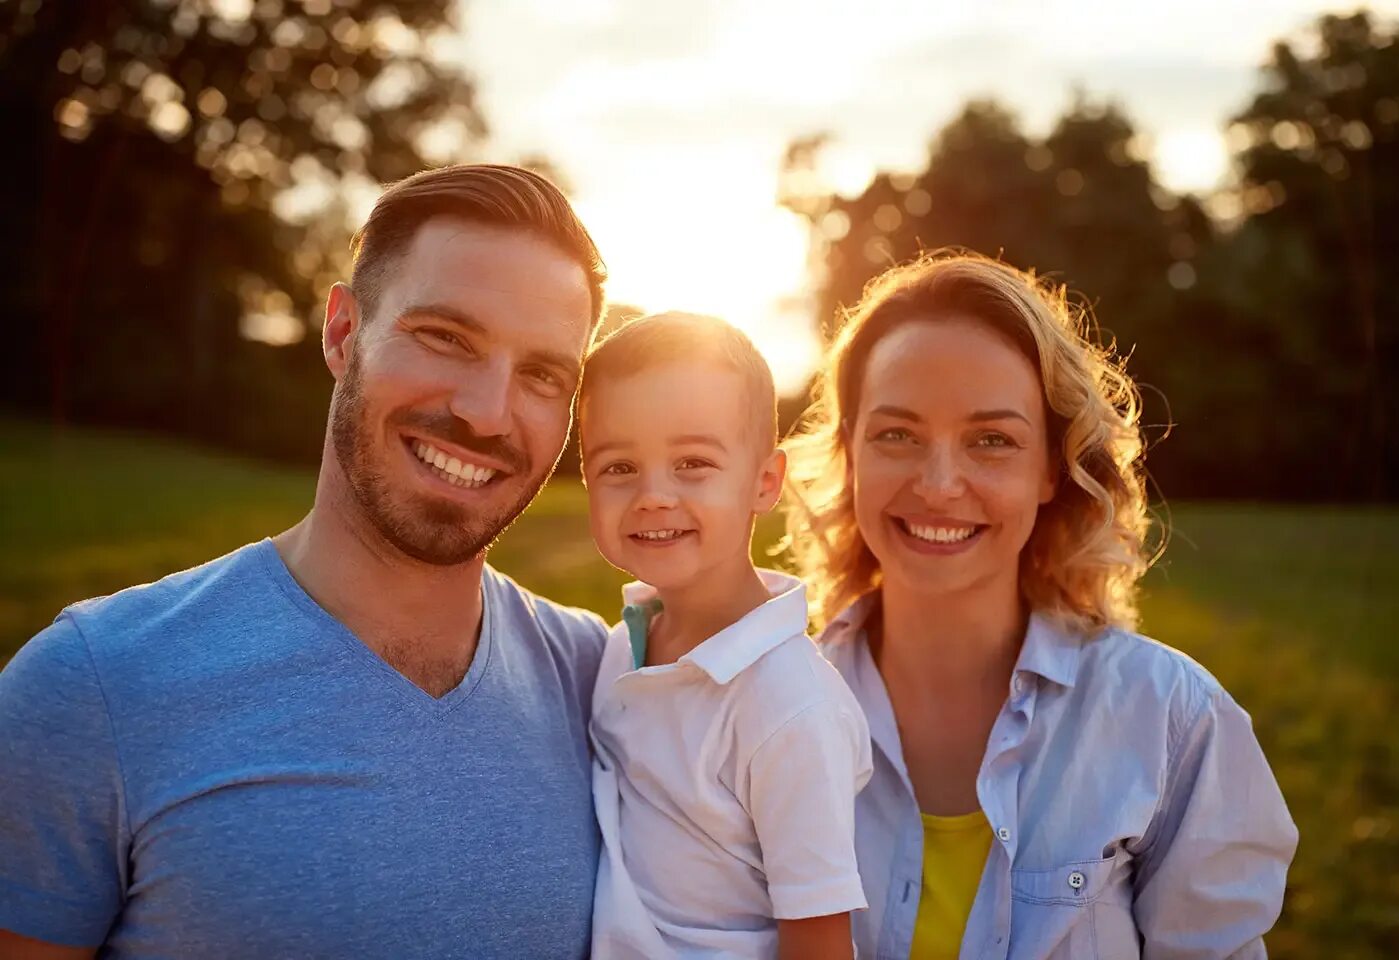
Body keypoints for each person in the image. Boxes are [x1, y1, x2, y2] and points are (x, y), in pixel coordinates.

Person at [0, 165, 612, 959]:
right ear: (341, 332)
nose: (487, 413)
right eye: (446, 338)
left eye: (542, 375)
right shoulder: (93, 689)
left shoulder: (604, 686)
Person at [783, 253, 1299, 959]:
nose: (938, 485)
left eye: (991, 440)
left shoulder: (1171, 720)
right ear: (849, 453)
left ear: (1052, 469)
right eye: (896, 434)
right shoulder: (767, 707)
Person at [577, 312, 872, 959]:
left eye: (692, 462)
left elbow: (819, 938)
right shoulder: (623, 640)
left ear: (765, 481)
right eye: (618, 467)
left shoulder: (789, 706)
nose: (653, 495)